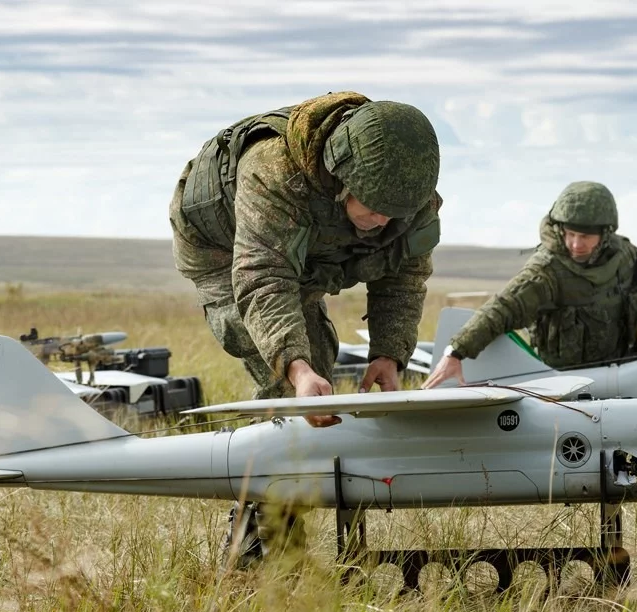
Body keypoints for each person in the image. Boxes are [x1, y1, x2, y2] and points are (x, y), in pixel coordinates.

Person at [169, 91, 441, 567]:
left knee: (319, 373)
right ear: (341, 175)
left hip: (310, 251)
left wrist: (389, 354)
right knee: (300, 380)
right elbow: (262, 274)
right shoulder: (273, 171)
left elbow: (404, 274)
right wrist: (294, 368)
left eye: (393, 213)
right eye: (373, 207)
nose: (382, 222)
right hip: (224, 247)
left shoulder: (407, 191)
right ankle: (261, 554)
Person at [423, 181, 637, 388]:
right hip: (558, 379)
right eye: (570, 234)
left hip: (623, 365)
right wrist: (456, 353)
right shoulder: (547, 270)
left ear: (604, 234)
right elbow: (501, 309)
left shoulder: (632, 262)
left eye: (586, 237)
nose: (576, 244)